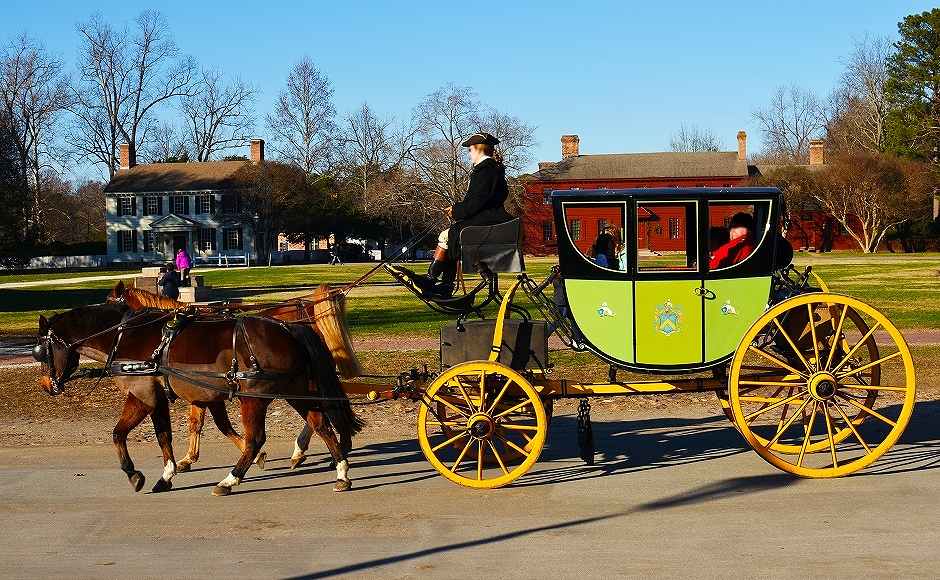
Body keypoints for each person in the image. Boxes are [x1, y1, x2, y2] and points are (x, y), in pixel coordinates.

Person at [401, 132, 512, 298]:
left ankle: (434, 281)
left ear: (478, 149)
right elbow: (483, 200)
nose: (469, 154)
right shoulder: (494, 169)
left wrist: (456, 210)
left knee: (447, 236)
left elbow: (476, 202)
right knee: (451, 234)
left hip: (488, 222)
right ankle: (442, 283)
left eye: (470, 150)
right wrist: (458, 209)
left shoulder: (484, 170)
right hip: (492, 220)